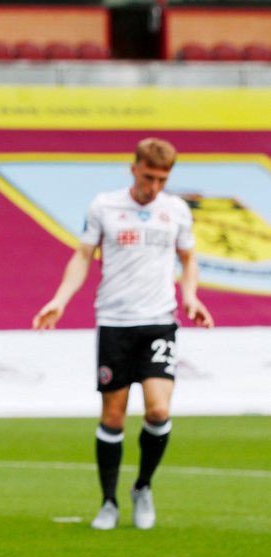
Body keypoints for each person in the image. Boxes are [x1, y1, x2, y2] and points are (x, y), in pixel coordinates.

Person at [32, 137, 213, 530]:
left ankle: (143, 488)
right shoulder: (104, 207)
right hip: (115, 322)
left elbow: (188, 258)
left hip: (159, 320)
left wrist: (192, 296)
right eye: (149, 177)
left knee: (158, 410)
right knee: (113, 417)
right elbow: (83, 256)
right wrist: (60, 301)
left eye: (163, 179)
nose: (155, 187)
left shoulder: (177, 211)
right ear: (134, 168)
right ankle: (109, 502)